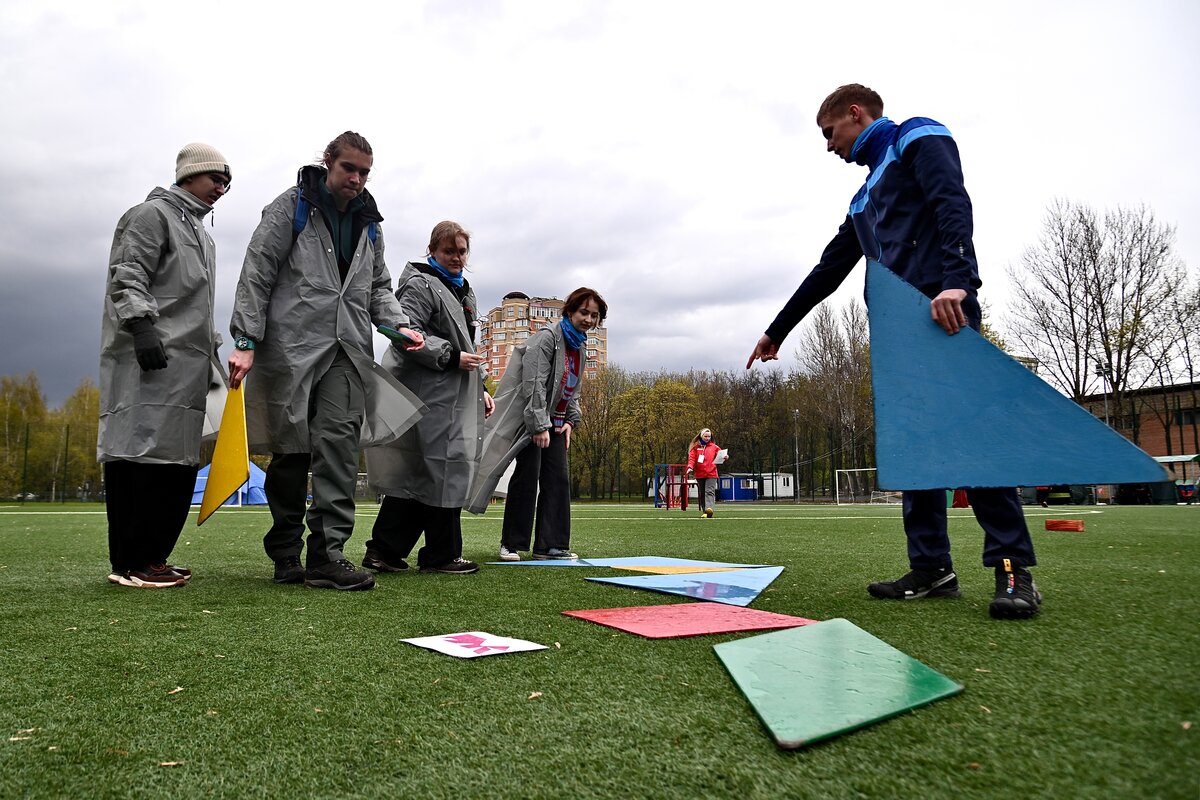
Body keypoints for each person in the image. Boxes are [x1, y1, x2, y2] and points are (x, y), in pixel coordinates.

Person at [746, 84, 1041, 620]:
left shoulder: (916, 136)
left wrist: (958, 281)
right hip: (896, 333)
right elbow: (828, 268)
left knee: (973, 440)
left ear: (855, 114)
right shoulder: (861, 198)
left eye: (830, 132)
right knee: (914, 448)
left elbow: (952, 201)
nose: (829, 146)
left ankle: (1012, 569)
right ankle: (932, 569)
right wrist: (778, 330)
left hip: (943, 310)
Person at [228, 132, 425, 591]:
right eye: (348, 168)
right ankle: (285, 551)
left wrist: (398, 325)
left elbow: (378, 287)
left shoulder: (370, 224)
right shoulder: (291, 208)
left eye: (364, 172)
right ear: (328, 162)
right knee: (291, 452)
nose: (356, 179)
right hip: (291, 349)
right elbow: (257, 272)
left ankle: (327, 555)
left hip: (347, 350)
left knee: (338, 448)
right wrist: (245, 338)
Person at [98, 143, 232, 588]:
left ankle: (154, 557)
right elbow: (128, 272)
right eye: (215, 178)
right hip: (150, 358)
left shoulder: (202, 235)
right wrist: (140, 326)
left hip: (188, 365)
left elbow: (200, 306)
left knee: (176, 461)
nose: (221, 188)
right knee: (139, 455)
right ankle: (131, 561)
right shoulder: (150, 215)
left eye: (227, 183)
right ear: (189, 175)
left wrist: (214, 352)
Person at [364, 221, 494, 575]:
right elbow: (405, 334)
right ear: (432, 250)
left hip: (450, 394)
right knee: (440, 469)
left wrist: (480, 388)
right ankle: (440, 554)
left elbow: (466, 347)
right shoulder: (421, 285)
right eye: (448, 251)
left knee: (425, 472)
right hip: (427, 392)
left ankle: (385, 550)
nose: (456, 257)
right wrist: (450, 357)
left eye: (461, 251)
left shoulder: (462, 291)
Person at [466, 288, 607, 561]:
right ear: (570, 311)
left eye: (594, 315)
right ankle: (511, 543)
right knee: (527, 477)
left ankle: (550, 546)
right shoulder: (547, 338)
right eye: (583, 312)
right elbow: (534, 383)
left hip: (557, 423)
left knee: (557, 481)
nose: (589, 319)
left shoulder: (579, 347)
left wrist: (571, 421)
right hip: (532, 420)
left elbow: (573, 390)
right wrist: (539, 425)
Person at [686, 428, 721, 518]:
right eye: (705, 436)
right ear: (701, 436)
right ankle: (705, 511)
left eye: (709, 436)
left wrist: (725, 456)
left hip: (712, 474)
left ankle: (709, 509)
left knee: (709, 492)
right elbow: (692, 459)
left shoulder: (714, 447)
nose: (707, 438)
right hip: (700, 474)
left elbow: (721, 455)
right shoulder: (695, 448)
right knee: (702, 493)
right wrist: (690, 467)